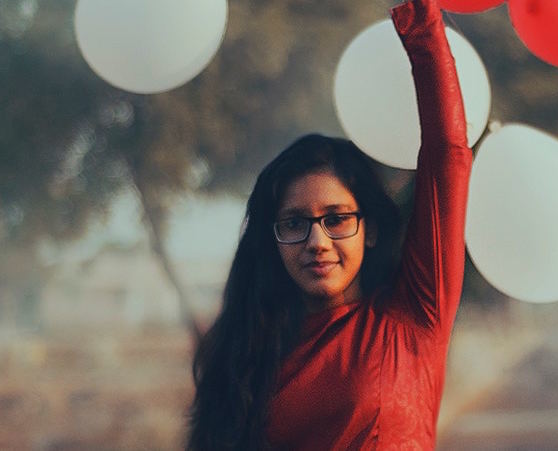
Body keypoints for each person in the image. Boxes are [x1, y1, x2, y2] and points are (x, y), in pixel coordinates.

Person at [186, 0, 473, 448]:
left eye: (336, 219)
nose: (317, 241)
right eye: (294, 223)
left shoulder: (414, 318)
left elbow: (448, 155)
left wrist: (421, 22)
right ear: (273, 239)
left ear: (369, 229)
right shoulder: (246, 358)